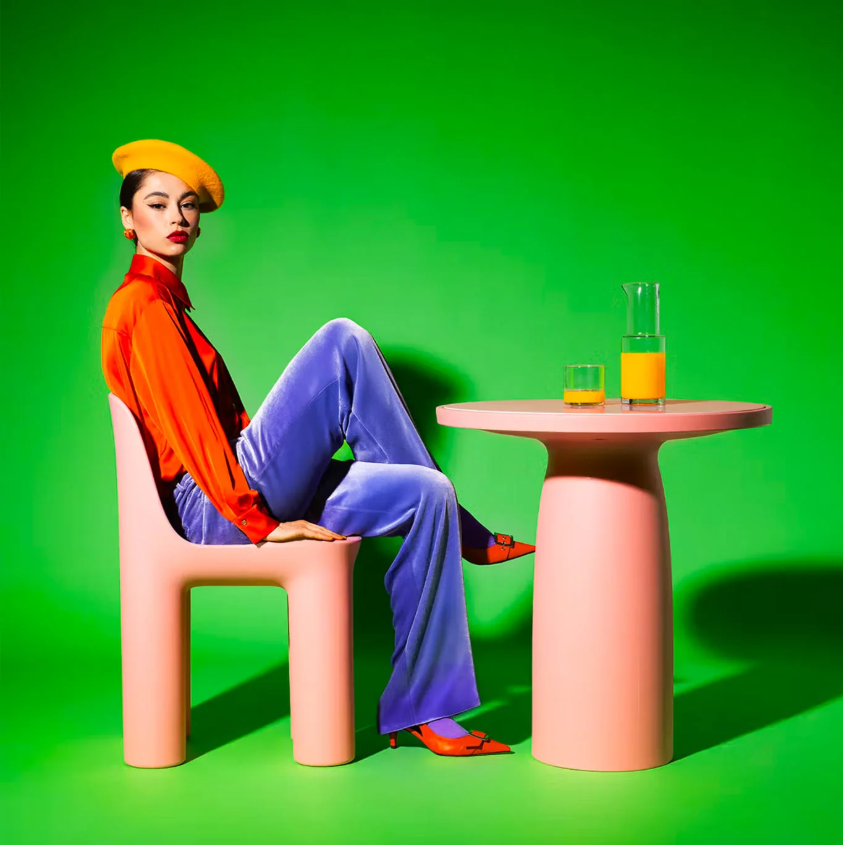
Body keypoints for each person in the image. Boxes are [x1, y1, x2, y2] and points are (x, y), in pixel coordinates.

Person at [101, 139, 535, 758]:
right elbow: (195, 434)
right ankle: (471, 533)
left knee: (429, 494)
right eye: (157, 203)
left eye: (187, 205)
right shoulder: (144, 307)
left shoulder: (171, 305)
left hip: (233, 488)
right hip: (213, 509)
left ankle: (425, 711)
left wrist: (283, 470)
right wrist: (257, 520)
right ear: (128, 218)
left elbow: (225, 426)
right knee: (342, 340)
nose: (177, 217)